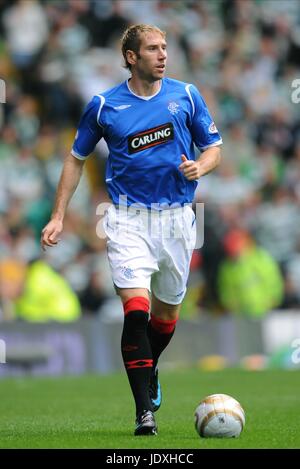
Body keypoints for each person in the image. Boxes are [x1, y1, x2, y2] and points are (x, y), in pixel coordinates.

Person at [41, 24, 222, 436]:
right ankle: (145, 412)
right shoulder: (104, 105)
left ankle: (150, 367)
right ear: (131, 57)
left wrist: (201, 166)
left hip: (178, 217)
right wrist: (58, 215)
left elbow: (213, 146)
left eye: (164, 48)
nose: (162, 55)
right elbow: (75, 158)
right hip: (125, 218)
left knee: (166, 317)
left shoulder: (187, 95)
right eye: (153, 49)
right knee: (136, 312)